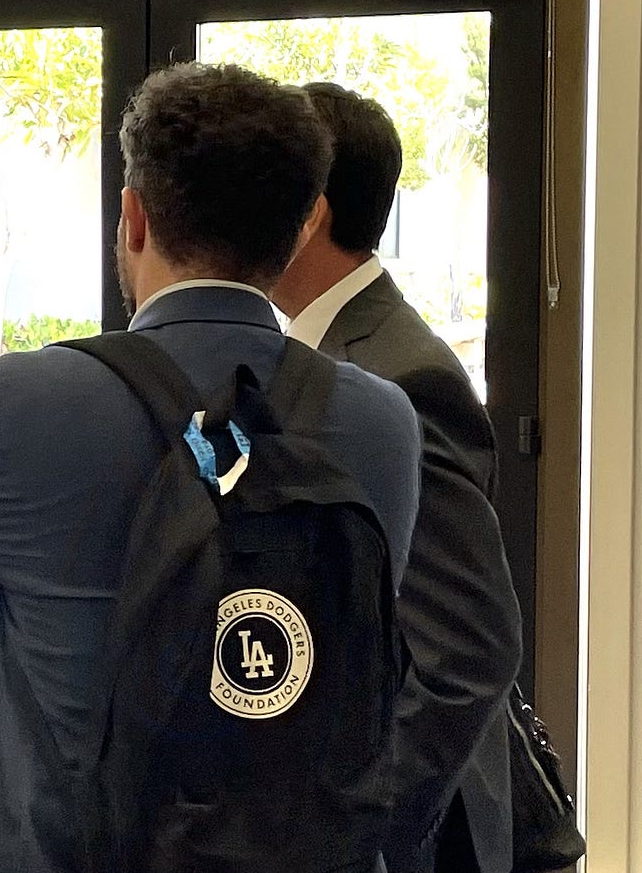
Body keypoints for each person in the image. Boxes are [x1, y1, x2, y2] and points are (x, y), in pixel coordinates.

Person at [0, 63, 423, 871]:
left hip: (50, 838)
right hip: (286, 845)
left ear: (134, 216)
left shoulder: (21, 399)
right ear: (299, 227)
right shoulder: (382, 422)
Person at [272, 82, 523, 873]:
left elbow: (469, 650)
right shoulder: (325, 349)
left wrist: (359, 830)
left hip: (409, 833)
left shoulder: (401, 376)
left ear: (309, 212)